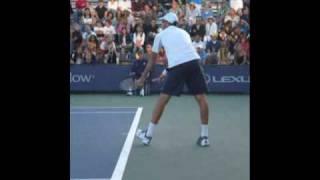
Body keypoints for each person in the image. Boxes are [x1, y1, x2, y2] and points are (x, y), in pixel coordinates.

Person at [135, 12, 210, 147]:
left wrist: (141, 78)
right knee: (201, 98)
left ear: (168, 23)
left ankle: (148, 135)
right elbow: (182, 54)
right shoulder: (184, 33)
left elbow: (152, 62)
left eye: (163, 21)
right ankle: (205, 137)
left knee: (162, 100)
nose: (161, 24)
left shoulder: (160, 35)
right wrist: (166, 71)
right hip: (194, 63)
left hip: (179, 67)